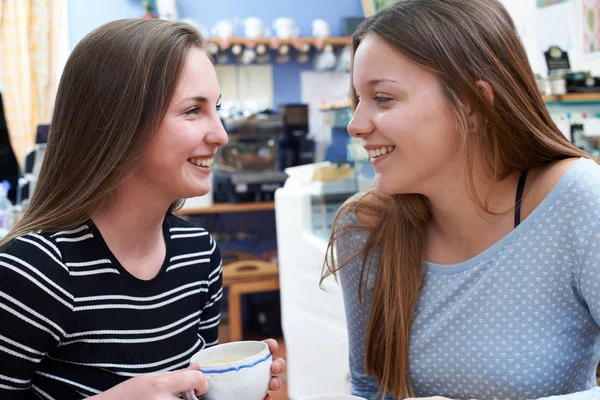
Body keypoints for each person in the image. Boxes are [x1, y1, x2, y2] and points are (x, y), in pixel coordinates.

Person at [323, 0, 600, 399]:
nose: (355, 125)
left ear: (473, 104)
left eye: (382, 98)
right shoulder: (365, 227)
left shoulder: (578, 201)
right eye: (358, 99)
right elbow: (370, 389)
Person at [0, 18, 285, 399]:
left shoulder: (198, 255)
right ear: (120, 125)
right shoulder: (35, 273)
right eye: (192, 111)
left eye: (216, 108)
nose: (221, 135)